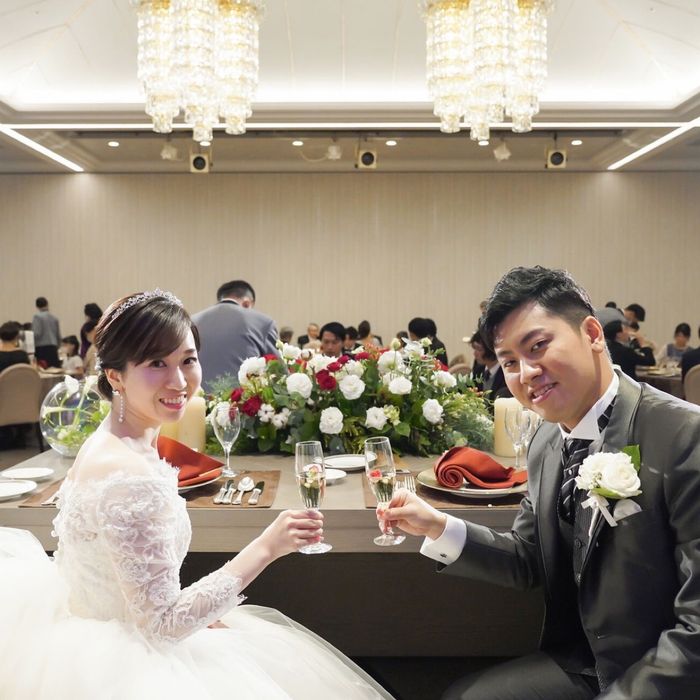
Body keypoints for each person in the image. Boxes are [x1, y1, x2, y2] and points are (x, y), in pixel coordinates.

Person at [0, 290, 391, 700]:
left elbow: (132, 581)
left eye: (187, 360)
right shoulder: (128, 473)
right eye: (156, 363)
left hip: (94, 630)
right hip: (126, 667)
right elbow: (162, 625)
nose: (178, 380)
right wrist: (267, 546)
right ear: (115, 376)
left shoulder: (116, 440)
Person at [382, 266, 700, 699]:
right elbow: (529, 557)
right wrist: (439, 527)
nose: (527, 372)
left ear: (592, 334)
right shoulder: (546, 440)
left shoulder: (682, 435)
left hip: (657, 672)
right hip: (581, 663)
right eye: (509, 362)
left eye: (538, 346)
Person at [192, 280, 279, 391]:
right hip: (241, 399)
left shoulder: (192, 321)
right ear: (247, 303)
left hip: (195, 398)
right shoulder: (263, 322)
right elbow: (278, 373)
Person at [469, 330, 511, 406]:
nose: (475, 353)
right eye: (474, 348)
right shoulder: (479, 369)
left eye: (479, 349)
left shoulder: (505, 372)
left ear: (491, 350)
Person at [32, 296, 61, 368]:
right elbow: (58, 335)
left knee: (43, 369)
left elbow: (37, 334)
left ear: (37, 306)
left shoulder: (37, 317)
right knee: (54, 369)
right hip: (53, 347)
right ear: (47, 304)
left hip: (42, 348)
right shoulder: (54, 318)